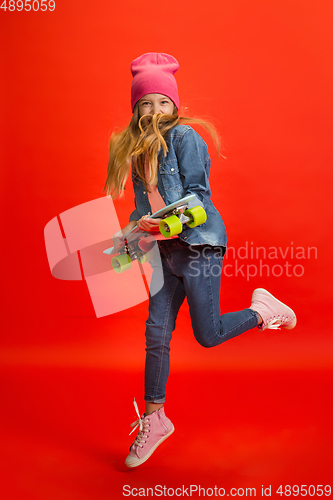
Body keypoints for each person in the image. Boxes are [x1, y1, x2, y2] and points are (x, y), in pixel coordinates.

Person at [104, 52, 296, 468]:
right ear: (135, 109)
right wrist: (130, 237)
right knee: (156, 333)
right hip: (164, 252)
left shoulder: (184, 139)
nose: (154, 111)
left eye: (162, 102)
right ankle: (155, 419)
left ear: (175, 106)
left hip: (198, 247)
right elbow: (144, 210)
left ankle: (262, 310)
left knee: (207, 335)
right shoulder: (137, 154)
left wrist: (165, 226)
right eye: (145, 103)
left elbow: (199, 201)